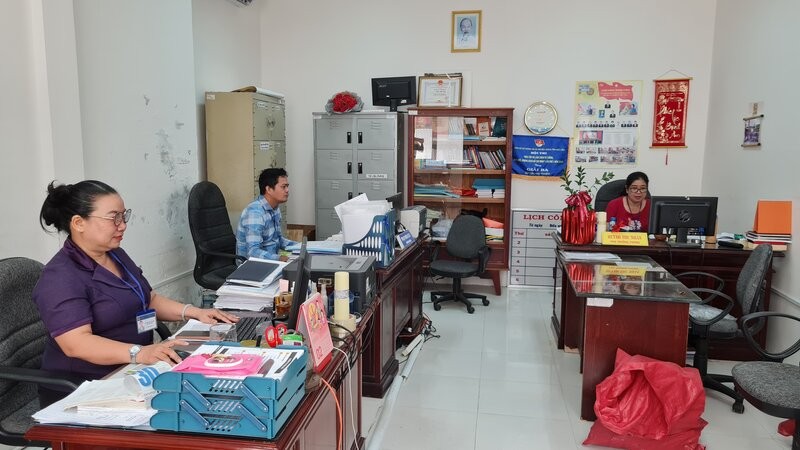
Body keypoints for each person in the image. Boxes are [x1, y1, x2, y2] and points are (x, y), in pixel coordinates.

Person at [33, 180, 237, 406]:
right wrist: (139, 353)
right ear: (79, 223)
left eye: (124, 216)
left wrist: (195, 312)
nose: (122, 226)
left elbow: (148, 299)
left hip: (134, 372)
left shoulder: (115, 254)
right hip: (85, 388)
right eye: (114, 218)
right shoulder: (60, 276)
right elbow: (76, 343)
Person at [236, 168, 297, 262]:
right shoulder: (255, 213)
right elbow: (252, 252)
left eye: (287, 186)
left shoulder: (275, 208)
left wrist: (303, 247)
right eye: (283, 187)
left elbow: (278, 240)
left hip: (270, 261)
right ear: (268, 189)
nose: (287, 190)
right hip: (252, 266)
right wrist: (280, 258)